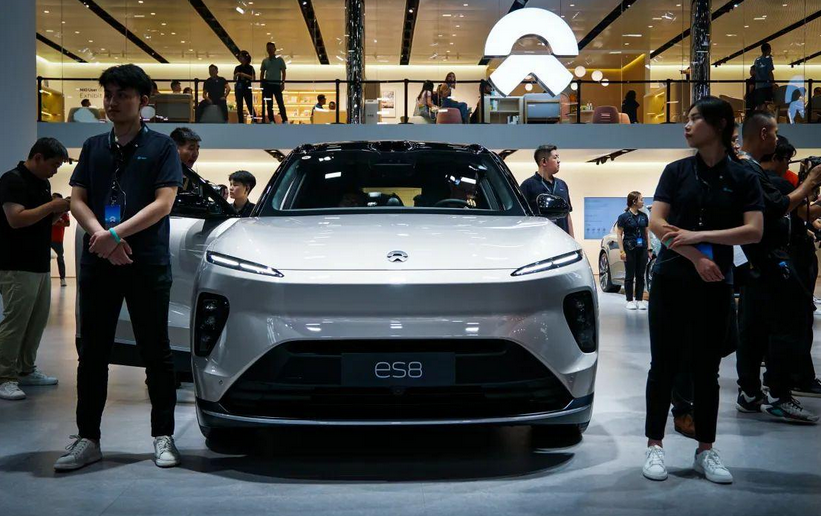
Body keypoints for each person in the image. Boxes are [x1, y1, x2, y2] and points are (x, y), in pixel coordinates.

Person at [54, 64, 183, 471]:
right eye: (108, 95)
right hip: (98, 261)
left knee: (156, 352)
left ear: (143, 101)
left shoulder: (161, 147)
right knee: (92, 352)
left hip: (146, 262)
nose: (112, 102)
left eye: (122, 95)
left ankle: (163, 435)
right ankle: (87, 438)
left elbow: (163, 204)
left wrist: (115, 234)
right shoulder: (94, 146)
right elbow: (77, 199)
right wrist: (101, 236)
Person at [643, 96, 764, 484]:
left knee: (707, 370)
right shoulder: (676, 171)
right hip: (671, 279)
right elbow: (656, 222)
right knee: (663, 365)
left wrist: (700, 235)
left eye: (695, 118)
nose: (687, 125)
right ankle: (654, 446)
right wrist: (696, 255)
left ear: (720, 124)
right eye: (688, 118)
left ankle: (705, 450)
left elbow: (754, 230)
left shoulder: (743, 177)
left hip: (714, 285)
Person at [735, 110, 821, 424]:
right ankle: (779, 394)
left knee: (753, 329)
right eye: (773, 132)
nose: (775, 137)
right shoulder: (750, 171)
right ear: (763, 134)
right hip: (766, 260)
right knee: (788, 323)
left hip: (754, 261)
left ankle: (751, 394)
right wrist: (810, 182)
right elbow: (777, 207)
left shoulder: (744, 169)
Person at [0, 138, 70, 401]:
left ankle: (25, 370)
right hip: (16, 264)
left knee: (36, 321)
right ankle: (4, 377)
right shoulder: (12, 180)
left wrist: (57, 212)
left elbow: (38, 221)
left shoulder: (43, 183)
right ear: (38, 157)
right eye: (54, 165)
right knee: (16, 322)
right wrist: (52, 206)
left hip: (39, 264)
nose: (55, 170)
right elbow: (16, 219)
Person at [758, 136, 821, 398]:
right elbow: (802, 212)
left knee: (783, 320)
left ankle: (781, 379)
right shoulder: (777, 183)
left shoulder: (762, 180)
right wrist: (810, 185)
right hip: (788, 255)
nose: (788, 165)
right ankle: (792, 379)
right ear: (776, 157)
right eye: (786, 160)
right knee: (795, 319)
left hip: (777, 255)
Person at [519, 144, 574, 237]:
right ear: (544, 161)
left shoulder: (562, 184)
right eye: (555, 157)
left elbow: (567, 214)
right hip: (539, 239)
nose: (559, 161)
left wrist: (572, 239)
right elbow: (522, 217)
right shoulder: (527, 186)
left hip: (562, 240)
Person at [617, 191, 650, 310]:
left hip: (642, 249)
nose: (643, 202)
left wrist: (649, 248)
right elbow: (619, 234)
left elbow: (646, 233)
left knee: (640, 275)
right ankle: (629, 300)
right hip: (629, 248)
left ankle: (639, 300)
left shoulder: (644, 216)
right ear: (634, 201)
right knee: (630, 275)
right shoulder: (623, 217)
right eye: (641, 199)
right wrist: (622, 251)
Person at [260, 42, 288, 124]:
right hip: (268, 85)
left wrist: (283, 83)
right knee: (269, 103)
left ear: (274, 49)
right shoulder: (265, 61)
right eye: (268, 48)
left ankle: (284, 119)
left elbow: (283, 72)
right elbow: (262, 73)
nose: (269, 50)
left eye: (271, 48)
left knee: (280, 102)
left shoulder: (280, 60)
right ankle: (271, 120)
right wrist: (261, 84)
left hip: (276, 84)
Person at [51, 193, 70, 287]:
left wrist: (54, 223)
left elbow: (67, 223)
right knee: (45, 259)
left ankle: (62, 278)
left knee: (60, 259)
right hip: (48, 239)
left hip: (58, 239)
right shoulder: (49, 211)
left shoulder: (64, 212)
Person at [233, 50, 256, 124]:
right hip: (239, 87)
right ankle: (241, 122)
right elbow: (234, 79)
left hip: (247, 87)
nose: (240, 58)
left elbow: (253, 78)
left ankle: (254, 120)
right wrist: (237, 75)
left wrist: (244, 75)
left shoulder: (250, 67)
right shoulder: (237, 67)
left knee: (249, 104)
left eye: (241, 57)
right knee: (239, 105)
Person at [753, 43, 775, 110]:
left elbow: (755, 72)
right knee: (767, 104)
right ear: (768, 50)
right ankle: (765, 115)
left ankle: (759, 115)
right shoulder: (768, 59)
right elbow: (769, 72)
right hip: (766, 85)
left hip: (758, 85)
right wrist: (773, 83)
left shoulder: (757, 60)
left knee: (760, 104)